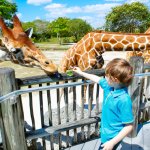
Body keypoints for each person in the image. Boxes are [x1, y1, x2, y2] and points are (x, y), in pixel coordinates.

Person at [73, 58, 134, 150]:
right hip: (105, 134)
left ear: (115, 80)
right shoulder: (109, 87)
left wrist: (112, 142)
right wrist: (81, 73)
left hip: (112, 137)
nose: (104, 77)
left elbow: (129, 126)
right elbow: (97, 79)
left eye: (107, 76)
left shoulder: (124, 99)